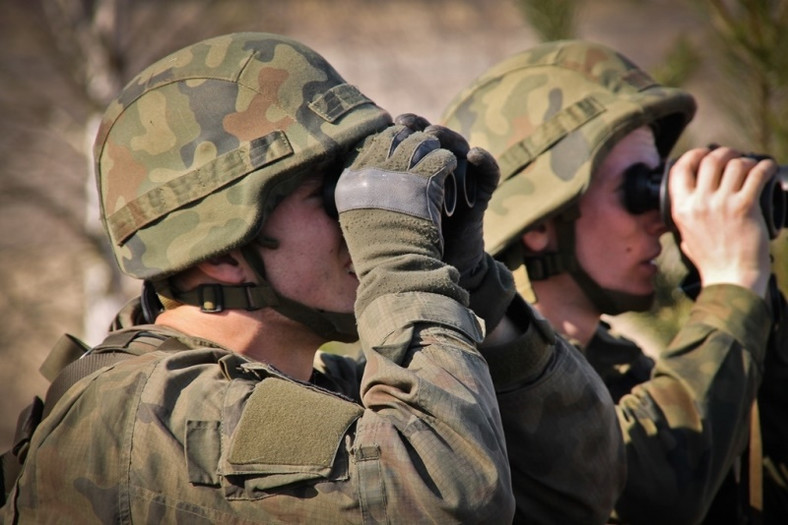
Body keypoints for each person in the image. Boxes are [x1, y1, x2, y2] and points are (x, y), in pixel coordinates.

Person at [1, 33, 625, 523]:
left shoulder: (329, 390)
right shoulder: (146, 416)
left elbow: (575, 489)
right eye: (336, 195)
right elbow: (449, 502)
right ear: (222, 253)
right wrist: (403, 267)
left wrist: (470, 282)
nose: (364, 222)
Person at [441, 39, 788, 524]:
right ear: (542, 223)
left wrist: (760, 311)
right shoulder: (475, 384)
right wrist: (733, 287)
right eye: (636, 190)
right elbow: (644, 491)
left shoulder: (622, 373)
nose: (661, 221)